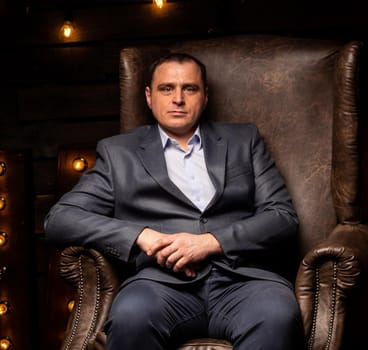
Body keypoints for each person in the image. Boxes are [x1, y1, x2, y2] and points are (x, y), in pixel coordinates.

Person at [44, 52, 304, 349]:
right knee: (131, 315)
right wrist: (141, 236)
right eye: (167, 88)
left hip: (244, 281)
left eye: (189, 89)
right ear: (149, 96)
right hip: (161, 286)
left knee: (277, 315)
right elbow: (60, 219)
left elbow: (282, 217)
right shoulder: (118, 154)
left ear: (205, 96)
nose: (177, 98)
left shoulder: (244, 140)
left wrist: (211, 241)